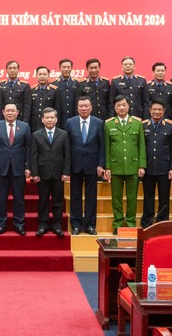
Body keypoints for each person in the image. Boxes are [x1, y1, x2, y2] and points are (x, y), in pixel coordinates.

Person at [0, 102, 32, 235]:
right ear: (3, 112)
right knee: (1, 198)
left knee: (19, 198)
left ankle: (19, 223)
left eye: (13, 110)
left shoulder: (25, 127)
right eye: (8, 111)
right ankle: (0, 224)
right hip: (1, 168)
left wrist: (28, 166)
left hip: (19, 167)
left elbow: (29, 148)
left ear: (18, 112)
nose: (10, 113)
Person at [104, 95, 145, 231]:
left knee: (132, 198)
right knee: (116, 198)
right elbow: (107, 147)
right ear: (114, 108)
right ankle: (118, 224)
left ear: (128, 106)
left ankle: (131, 223)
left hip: (133, 166)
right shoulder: (109, 124)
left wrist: (141, 165)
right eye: (118, 106)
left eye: (123, 105)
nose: (121, 108)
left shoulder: (137, 123)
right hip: (115, 167)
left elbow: (141, 146)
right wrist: (107, 167)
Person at [65, 96, 105, 235]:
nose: (84, 108)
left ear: (91, 107)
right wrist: (67, 166)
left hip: (92, 165)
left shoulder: (98, 123)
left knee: (91, 196)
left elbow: (102, 146)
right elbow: (67, 146)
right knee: (75, 196)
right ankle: (76, 225)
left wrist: (101, 164)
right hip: (75, 164)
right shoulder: (70, 122)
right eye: (81, 106)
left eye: (86, 106)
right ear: (77, 108)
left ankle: (90, 225)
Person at [30, 108, 70, 237]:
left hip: (59, 174)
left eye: (52, 117)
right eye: (47, 117)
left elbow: (67, 155)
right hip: (42, 173)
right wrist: (34, 173)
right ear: (42, 119)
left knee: (58, 201)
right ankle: (43, 224)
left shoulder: (63, 134)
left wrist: (66, 172)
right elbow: (33, 156)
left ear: (56, 119)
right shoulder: (36, 134)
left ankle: (57, 225)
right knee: (43, 200)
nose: (49, 120)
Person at [140, 101, 172, 227]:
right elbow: (140, 147)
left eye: (159, 109)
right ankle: (147, 223)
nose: (156, 112)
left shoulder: (170, 126)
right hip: (148, 168)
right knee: (148, 197)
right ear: (149, 110)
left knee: (164, 198)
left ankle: (163, 223)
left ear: (164, 110)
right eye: (154, 109)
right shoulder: (143, 125)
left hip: (164, 169)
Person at [29, 66, 59, 131]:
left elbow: (57, 108)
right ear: (36, 76)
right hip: (34, 124)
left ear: (48, 76)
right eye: (40, 74)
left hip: (49, 124)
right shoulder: (31, 90)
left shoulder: (54, 90)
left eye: (44, 74)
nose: (42, 76)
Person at [53, 58, 78, 126]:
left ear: (71, 68)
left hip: (74, 119)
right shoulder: (53, 84)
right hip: (58, 120)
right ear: (59, 68)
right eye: (64, 67)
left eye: (68, 67)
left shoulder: (77, 83)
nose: (66, 69)